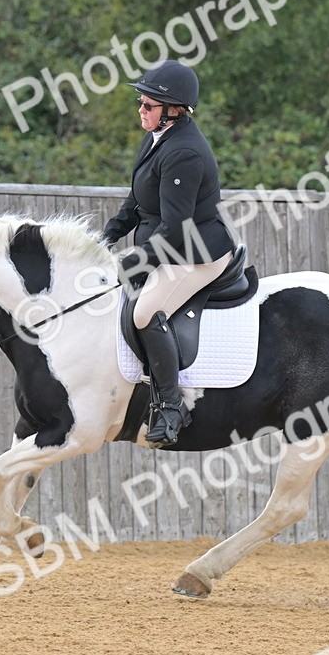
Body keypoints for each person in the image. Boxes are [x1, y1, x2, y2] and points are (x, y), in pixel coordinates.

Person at [102, 60, 236, 449]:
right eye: (141, 103)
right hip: (168, 246)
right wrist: (107, 237)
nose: (140, 110)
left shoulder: (184, 153)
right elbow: (137, 201)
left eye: (148, 105)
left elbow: (176, 227)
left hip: (196, 253)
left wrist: (135, 260)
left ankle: (171, 405)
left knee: (145, 312)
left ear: (173, 109)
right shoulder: (157, 137)